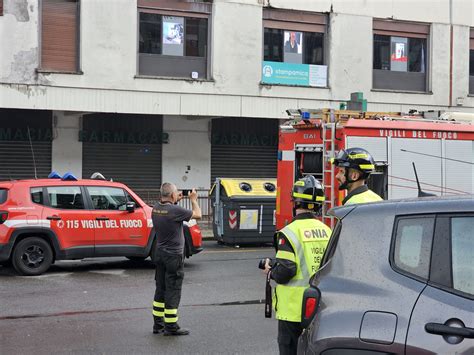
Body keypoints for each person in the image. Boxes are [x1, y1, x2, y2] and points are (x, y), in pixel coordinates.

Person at [264, 175, 332, 355]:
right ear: (318, 205)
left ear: (295, 202)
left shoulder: (288, 233)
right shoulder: (328, 231)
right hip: (320, 304)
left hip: (292, 310)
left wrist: (271, 269)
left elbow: (286, 270)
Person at [151, 183, 201, 336]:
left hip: (159, 254)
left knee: (161, 289)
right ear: (172, 196)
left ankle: (158, 325)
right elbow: (197, 214)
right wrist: (193, 199)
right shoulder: (174, 210)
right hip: (173, 256)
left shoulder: (156, 208)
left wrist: (175, 200)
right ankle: (171, 326)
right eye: (176, 193)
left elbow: (168, 209)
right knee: (173, 290)